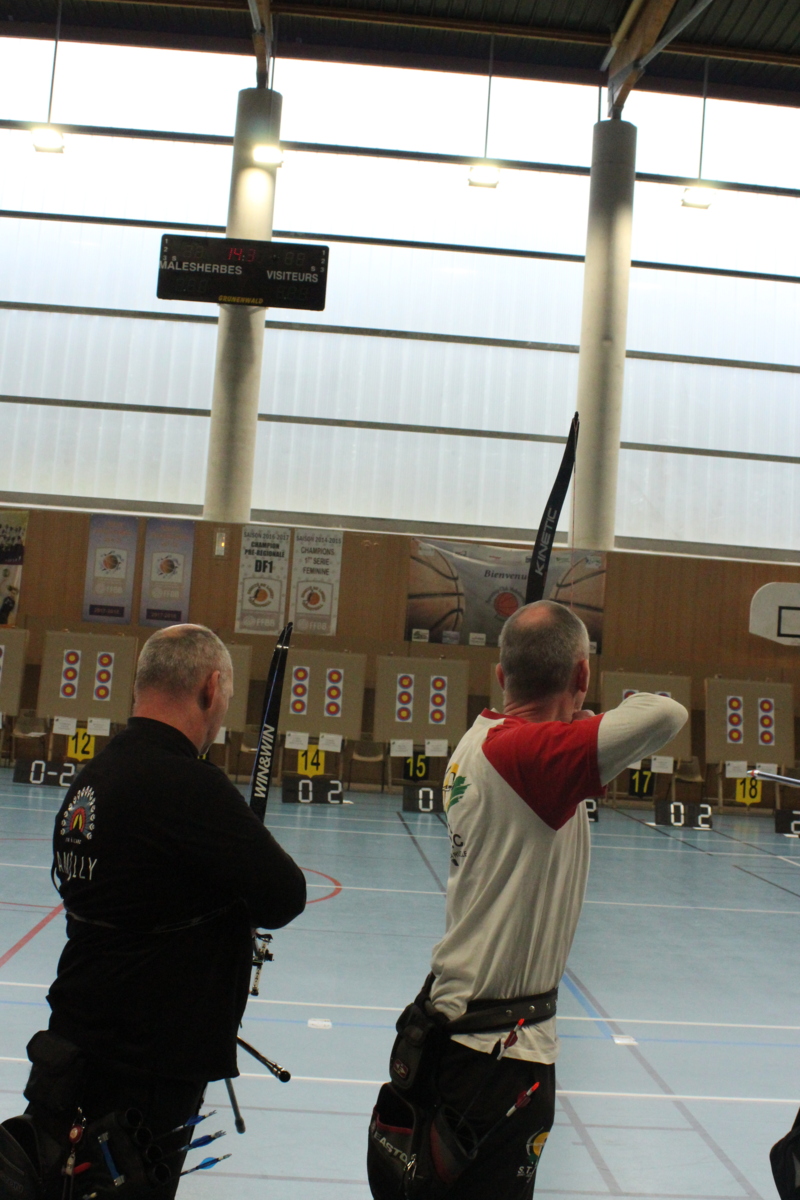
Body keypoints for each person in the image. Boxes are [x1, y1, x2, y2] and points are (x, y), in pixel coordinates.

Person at [1, 624, 306, 1200]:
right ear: (210, 688)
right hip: (147, 1071)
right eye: (225, 697)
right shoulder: (189, 786)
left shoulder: (94, 778)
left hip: (77, 1046)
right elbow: (285, 895)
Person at [394, 600, 687, 1199]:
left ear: (501, 675)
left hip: (464, 1034)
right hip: (497, 1053)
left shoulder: (483, 739)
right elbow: (666, 712)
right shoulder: (533, 758)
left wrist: (572, 715)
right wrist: (581, 717)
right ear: (582, 675)